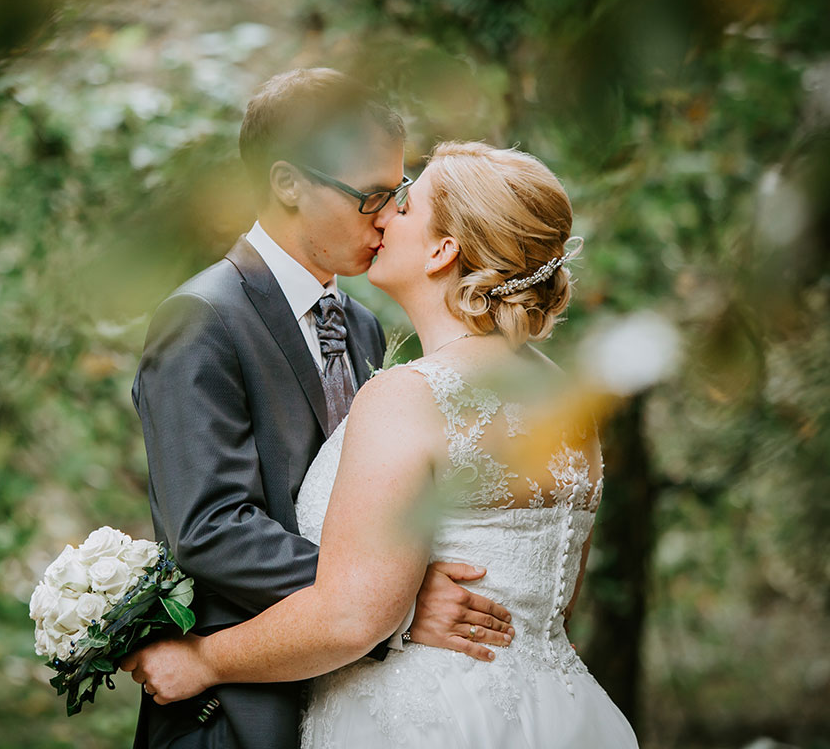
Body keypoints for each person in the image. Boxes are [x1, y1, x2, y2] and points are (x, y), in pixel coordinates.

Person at [124, 140, 640, 748]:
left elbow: (352, 614)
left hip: (425, 719)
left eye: (405, 204)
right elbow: (552, 594)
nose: (383, 214)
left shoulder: (408, 393)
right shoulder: (565, 401)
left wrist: (204, 661)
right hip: (556, 714)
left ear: (444, 250)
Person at [129, 72, 518, 749]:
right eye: (371, 195)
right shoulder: (203, 318)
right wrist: (389, 598)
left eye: (397, 193)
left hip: (346, 697)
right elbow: (212, 526)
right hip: (234, 714)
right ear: (288, 184)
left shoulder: (364, 326)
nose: (388, 215)